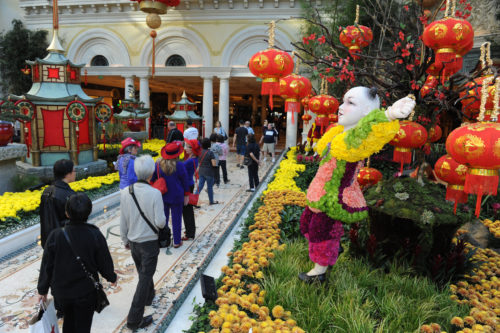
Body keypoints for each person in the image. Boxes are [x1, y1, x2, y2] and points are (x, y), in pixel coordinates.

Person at [298, 87, 416, 283]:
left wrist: (387, 116)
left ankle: (319, 272)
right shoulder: (337, 132)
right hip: (318, 191)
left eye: (350, 103)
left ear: (368, 113)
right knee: (306, 225)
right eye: (343, 101)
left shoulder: (356, 141)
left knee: (321, 231)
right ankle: (332, 247)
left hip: (333, 197)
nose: (341, 108)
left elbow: (368, 132)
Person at [37, 193, 117, 333]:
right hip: (86, 292)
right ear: (89, 212)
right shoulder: (94, 234)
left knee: (68, 321)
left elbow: (47, 265)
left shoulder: (56, 235)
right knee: (83, 325)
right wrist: (111, 277)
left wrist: (42, 290)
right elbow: (104, 261)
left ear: (67, 213)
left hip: (62, 292)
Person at [120, 155, 166, 329]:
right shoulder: (154, 193)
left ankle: (149, 296)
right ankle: (134, 319)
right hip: (149, 243)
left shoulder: (126, 192)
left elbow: (123, 219)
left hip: (133, 242)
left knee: (144, 272)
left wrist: (124, 239)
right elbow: (160, 222)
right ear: (151, 173)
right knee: (145, 277)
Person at [150, 141, 190, 248]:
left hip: (162, 196)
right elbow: (185, 182)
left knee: (163, 219)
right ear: (177, 154)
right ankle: (177, 241)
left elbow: (152, 180)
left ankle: (164, 240)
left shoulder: (158, 165)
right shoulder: (180, 165)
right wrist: (187, 195)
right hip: (177, 196)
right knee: (177, 219)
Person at [39, 159, 76, 248]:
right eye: (74, 171)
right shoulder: (70, 195)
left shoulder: (46, 191)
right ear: (68, 174)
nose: (75, 173)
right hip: (65, 243)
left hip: (48, 241)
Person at [182, 139, 201, 240]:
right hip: (190, 183)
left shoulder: (190, 161)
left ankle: (190, 233)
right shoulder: (194, 158)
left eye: (188, 147)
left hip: (186, 186)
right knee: (188, 210)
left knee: (186, 210)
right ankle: (190, 230)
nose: (185, 148)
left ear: (193, 149)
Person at [196, 138, 219, 205]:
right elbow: (214, 164)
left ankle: (193, 200)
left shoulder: (199, 152)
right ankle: (211, 201)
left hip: (201, 171)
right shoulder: (210, 153)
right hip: (209, 172)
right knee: (209, 187)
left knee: (200, 186)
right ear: (209, 144)